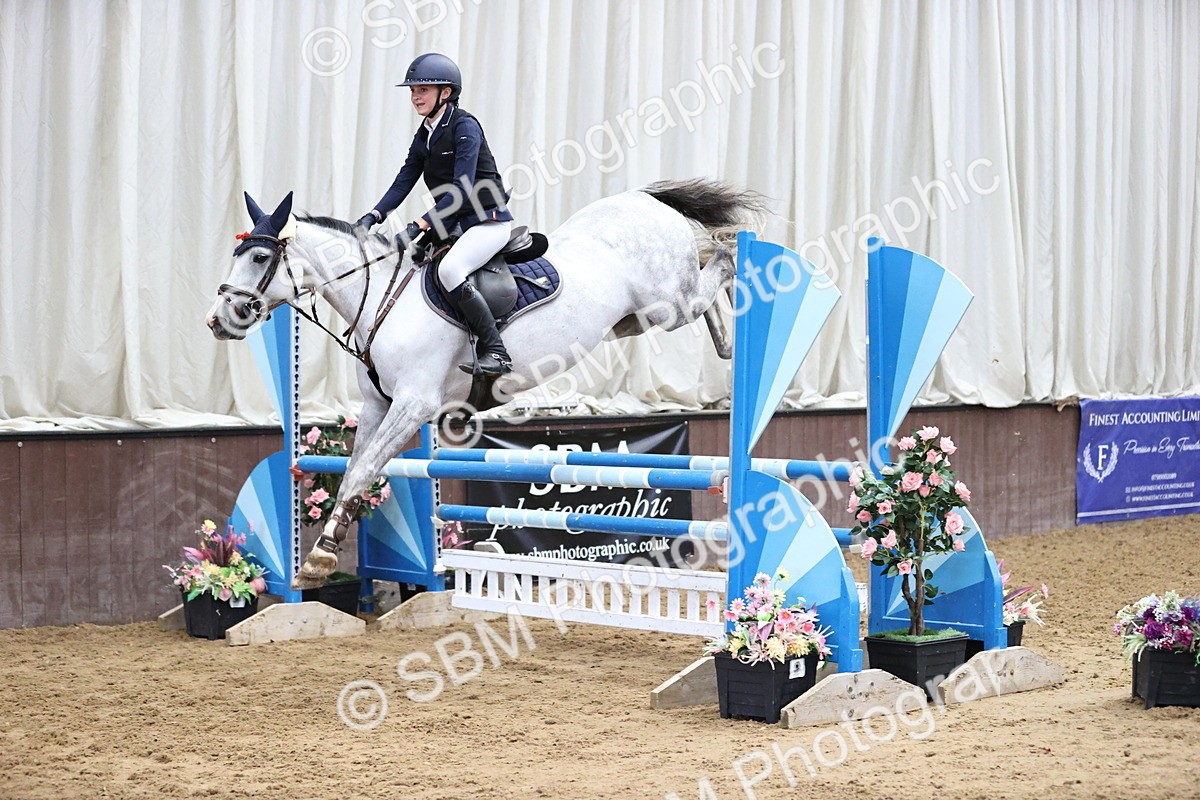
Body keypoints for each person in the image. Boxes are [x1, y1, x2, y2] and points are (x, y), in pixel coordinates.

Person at [354, 53, 514, 376]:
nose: (415, 97)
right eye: (413, 91)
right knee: (411, 261)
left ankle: (497, 351)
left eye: (423, 90)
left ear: (446, 92)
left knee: (451, 270)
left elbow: (461, 190)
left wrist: (418, 225)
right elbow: (404, 181)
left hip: (487, 221)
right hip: (453, 222)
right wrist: (374, 215)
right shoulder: (425, 133)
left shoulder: (465, 126)